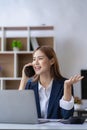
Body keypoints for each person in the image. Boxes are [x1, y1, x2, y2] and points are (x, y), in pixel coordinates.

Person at [19, 46, 83, 119]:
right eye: (34, 59)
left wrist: (67, 87)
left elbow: (66, 115)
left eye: (40, 58)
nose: (35, 63)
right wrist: (24, 79)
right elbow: (19, 109)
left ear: (52, 61)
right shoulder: (30, 84)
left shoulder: (64, 84)